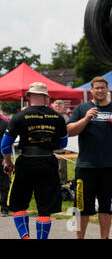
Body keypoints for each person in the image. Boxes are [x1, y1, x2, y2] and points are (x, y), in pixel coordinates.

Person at [67, 76, 112, 239]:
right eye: (96, 88)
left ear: (107, 90)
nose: (99, 90)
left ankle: (104, 237)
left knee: (107, 206)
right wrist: (86, 118)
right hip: (85, 167)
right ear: (91, 90)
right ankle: (80, 237)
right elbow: (69, 130)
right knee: (81, 207)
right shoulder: (82, 109)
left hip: (110, 168)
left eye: (102, 88)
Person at [0, 82, 68, 239]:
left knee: (18, 203)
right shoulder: (58, 117)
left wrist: (7, 161)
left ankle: (25, 237)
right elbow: (63, 144)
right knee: (45, 209)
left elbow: (5, 145)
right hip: (48, 162)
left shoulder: (19, 116)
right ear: (46, 98)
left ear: (29, 97)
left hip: (26, 162)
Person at [52, 100, 69, 184]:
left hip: (62, 148)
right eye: (56, 105)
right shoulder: (50, 117)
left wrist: (68, 147)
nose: (58, 107)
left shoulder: (66, 118)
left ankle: (63, 186)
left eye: (60, 105)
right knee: (51, 168)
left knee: (62, 169)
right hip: (51, 148)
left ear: (63, 107)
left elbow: (68, 133)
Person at [0, 117, 10, 217]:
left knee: (4, 183)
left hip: (1, 157)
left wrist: (6, 158)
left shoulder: (4, 123)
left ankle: (4, 207)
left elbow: (8, 142)